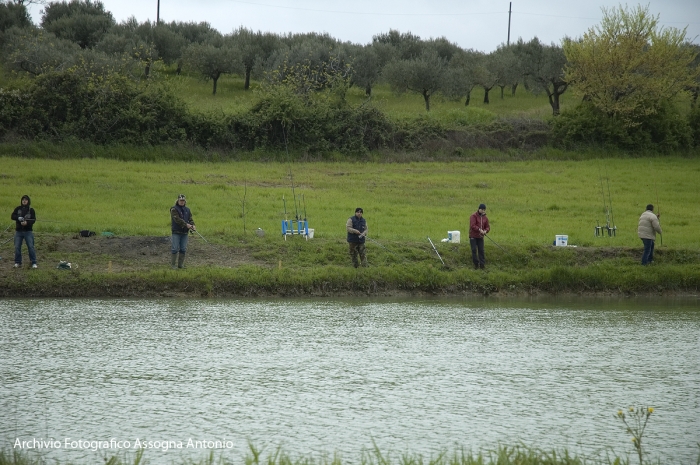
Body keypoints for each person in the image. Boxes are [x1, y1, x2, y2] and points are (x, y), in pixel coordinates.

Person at [11, 195, 37, 269]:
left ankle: (33, 262)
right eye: (23, 200)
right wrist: (18, 218)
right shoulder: (18, 209)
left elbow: (33, 220)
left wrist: (26, 223)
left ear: (28, 201)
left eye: (25, 200)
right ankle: (17, 262)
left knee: (31, 247)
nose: (24, 201)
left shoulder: (31, 210)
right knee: (17, 247)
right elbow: (12, 216)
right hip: (18, 231)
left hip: (28, 231)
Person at [170, 194, 195, 269]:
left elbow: (190, 219)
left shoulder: (187, 210)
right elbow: (177, 219)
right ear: (178, 200)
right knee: (174, 248)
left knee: (183, 248)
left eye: (183, 200)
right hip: (176, 231)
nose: (182, 202)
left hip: (185, 232)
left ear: (185, 201)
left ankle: (180, 265)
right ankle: (173, 265)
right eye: (180, 200)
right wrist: (186, 224)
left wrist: (193, 225)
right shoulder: (173, 209)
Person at [469, 203, 490, 270]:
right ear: (479, 209)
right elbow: (473, 225)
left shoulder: (485, 218)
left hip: (480, 237)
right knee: (474, 250)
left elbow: (488, 227)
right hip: (473, 236)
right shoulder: (473, 216)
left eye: (484, 210)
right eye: (482, 209)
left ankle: (482, 265)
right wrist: (479, 229)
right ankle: (476, 264)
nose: (483, 211)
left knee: (481, 250)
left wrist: (485, 231)